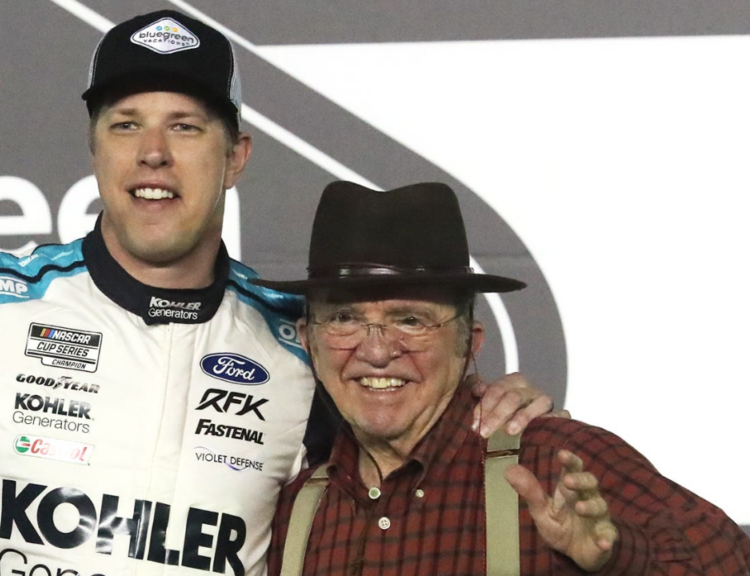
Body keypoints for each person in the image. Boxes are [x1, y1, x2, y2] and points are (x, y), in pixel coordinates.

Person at [0, 11, 552, 576]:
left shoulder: (302, 347)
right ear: (95, 151)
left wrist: (494, 415)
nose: (153, 152)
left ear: (236, 158)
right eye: (126, 124)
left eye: (186, 127)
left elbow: (417, 488)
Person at [260, 181, 750, 576]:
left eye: (411, 320)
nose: (377, 351)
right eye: (344, 318)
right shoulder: (293, 511)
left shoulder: (557, 462)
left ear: (469, 343)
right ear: (308, 340)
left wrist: (616, 560)